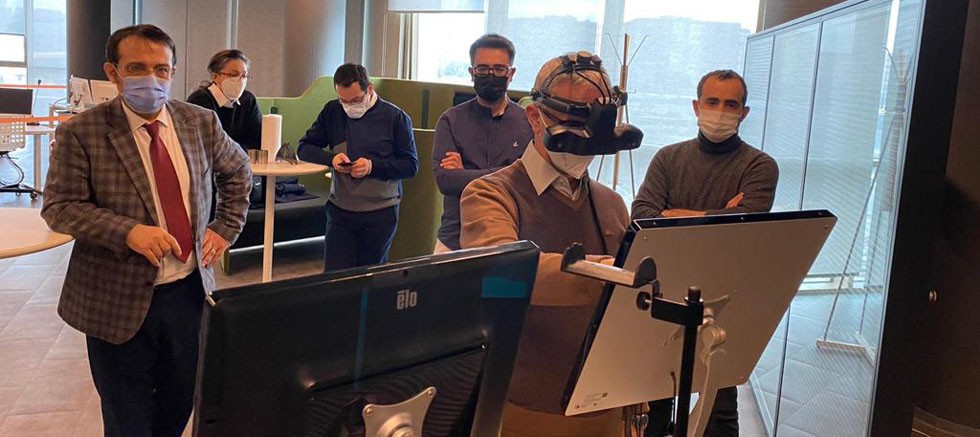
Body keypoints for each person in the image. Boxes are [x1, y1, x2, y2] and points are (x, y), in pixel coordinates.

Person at [41, 24, 252, 437]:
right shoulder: (81, 132)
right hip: (116, 302)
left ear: (173, 71)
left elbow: (238, 170)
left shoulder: (200, 122)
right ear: (113, 72)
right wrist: (127, 232)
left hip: (188, 295)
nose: (151, 79)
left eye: (161, 69)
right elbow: (59, 207)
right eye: (137, 68)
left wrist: (226, 226)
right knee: (128, 419)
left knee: (179, 403)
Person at [460, 52, 637, 436]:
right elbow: (501, 275)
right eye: (575, 122)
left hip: (604, 404)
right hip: (522, 404)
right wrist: (604, 275)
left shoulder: (611, 204)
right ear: (535, 117)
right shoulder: (490, 195)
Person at [631, 69, 779, 437]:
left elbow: (748, 222)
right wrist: (718, 214)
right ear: (697, 107)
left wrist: (675, 214)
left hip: (726, 296)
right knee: (656, 400)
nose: (720, 111)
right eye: (712, 102)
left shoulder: (760, 166)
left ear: (744, 112)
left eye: (731, 104)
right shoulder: (668, 158)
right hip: (667, 290)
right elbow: (643, 215)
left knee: (719, 402)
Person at [297, 63, 418, 271]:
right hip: (340, 211)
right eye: (343, 101)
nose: (349, 106)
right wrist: (331, 159)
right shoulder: (332, 111)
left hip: (380, 213)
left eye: (355, 100)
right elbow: (304, 148)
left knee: (369, 278)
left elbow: (410, 165)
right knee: (333, 277)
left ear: (369, 89)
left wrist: (372, 166)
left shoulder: (395, 117)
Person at [432, 33, 532, 253]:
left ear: (511, 73)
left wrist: (464, 173)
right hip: (454, 238)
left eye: (499, 69)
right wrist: (508, 171)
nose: (490, 75)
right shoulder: (450, 120)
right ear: (472, 72)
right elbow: (446, 181)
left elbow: (528, 182)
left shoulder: (529, 123)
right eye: (483, 69)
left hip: (510, 239)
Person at [186, 49, 262, 150]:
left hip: (243, 159)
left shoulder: (248, 100)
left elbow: (256, 141)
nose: (240, 81)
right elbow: (207, 145)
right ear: (215, 76)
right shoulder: (199, 100)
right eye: (234, 75)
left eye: (244, 76)